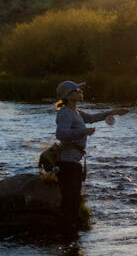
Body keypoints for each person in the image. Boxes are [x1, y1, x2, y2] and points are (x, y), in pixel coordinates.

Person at [54, 81, 128, 228]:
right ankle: (67, 234)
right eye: (77, 89)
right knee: (71, 200)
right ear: (68, 95)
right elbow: (60, 134)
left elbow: (92, 118)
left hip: (74, 162)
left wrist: (112, 112)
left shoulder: (76, 111)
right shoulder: (65, 113)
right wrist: (84, 131)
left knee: (74, 200)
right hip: (67, 163)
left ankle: (70, 235)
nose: (81, 90)